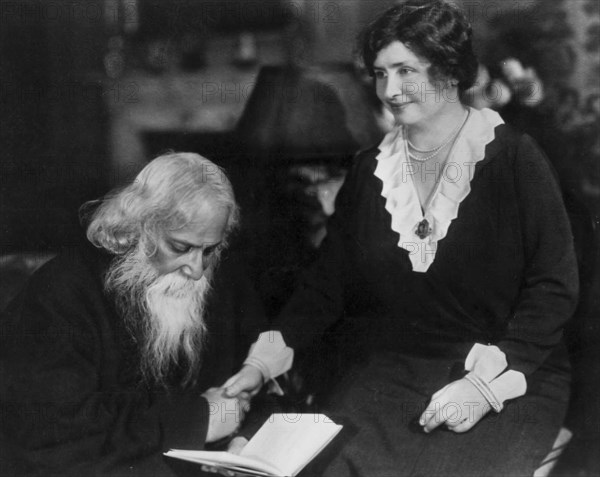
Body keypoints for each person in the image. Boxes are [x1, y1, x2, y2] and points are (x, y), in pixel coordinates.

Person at [224, 1, 579, 475]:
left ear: (450, 70)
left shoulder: (515, 158)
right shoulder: (370, 171)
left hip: (512, 372)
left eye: (405, 71)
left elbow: (553, 287)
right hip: (393, 374)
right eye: (379, 73)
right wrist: (261, 365)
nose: (389, 90)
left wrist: (483, 389)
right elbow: (325, 287)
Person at [0, 152, 291, 476]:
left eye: (209, 250)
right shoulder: (61, 294)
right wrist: (198, 420)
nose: (196, 270)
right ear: (138, 225)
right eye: (180, 247)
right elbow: (52, 434)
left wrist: (245, 443)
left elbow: (259, 388)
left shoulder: (223, 284)